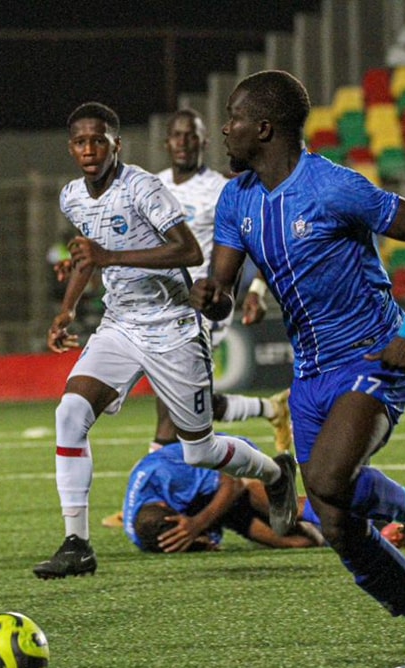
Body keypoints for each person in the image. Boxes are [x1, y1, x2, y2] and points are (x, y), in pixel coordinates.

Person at [191, 70, 405, 668]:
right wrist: (209, 294)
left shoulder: (332, 187)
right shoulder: (237, 198)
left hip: (371, 356)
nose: (225, 128)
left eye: (235, 117)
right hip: (311, 374)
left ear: (263, 128)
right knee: (335, 520)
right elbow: (223, 285)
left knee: (326, 479)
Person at [33, 101, 297, 580]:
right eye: (80, 142)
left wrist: (108, 256)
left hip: (174, 322)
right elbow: (88, 258)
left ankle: (276, 474)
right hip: (120, 324)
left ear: (116, 144)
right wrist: (66, 309)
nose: (89, 150)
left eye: (99, 140)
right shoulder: (72, 196)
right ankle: (77, 543)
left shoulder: (142, 187)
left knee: (199, 449)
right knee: (70, 413)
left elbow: (188, 249)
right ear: (71, 148)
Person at [153, 108, 291, 454]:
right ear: (166, 143)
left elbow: (264, 241)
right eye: (177, 135)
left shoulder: (221, 190)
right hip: (161, 307)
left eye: (192, 134)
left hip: (206, 304)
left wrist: (257, 289)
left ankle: (151, 488)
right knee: (183, 399)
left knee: (175, 406)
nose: (184, 142)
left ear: (204, 141)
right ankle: (271, 409)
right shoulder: (153, 187)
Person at [121, 439, 325, 553]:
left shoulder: (169, 478)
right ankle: (320, 536)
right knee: (286, 542)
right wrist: (199, 543)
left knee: (264, 498)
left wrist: (199, 524)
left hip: (229, 460)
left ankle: (330, 513)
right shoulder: (143, 535)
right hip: (202, 497)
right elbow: (177, 541)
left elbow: (232, 483)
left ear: (166, 505)